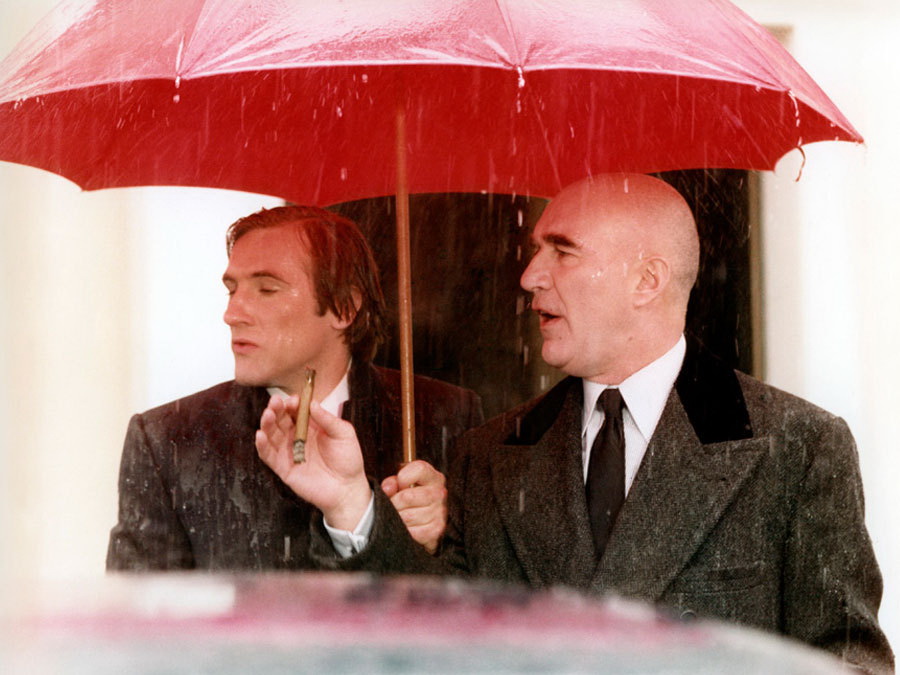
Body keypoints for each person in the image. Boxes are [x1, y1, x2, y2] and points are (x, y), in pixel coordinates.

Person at [255, 175, 893, 673]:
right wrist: (350, 503)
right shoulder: (491, 453)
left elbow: (848, 663)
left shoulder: (796, 446)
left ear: (647, 280)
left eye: (561, 251)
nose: (530, 276)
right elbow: (435, 639)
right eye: (538, 250)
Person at [107, 205, 483, 570]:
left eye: (267, 289)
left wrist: (438, 537)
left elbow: (482, 589)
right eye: (232, 290)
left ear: (344, 307)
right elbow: (138, 607)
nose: (232, 314)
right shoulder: (168, 438)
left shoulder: (442, 415)